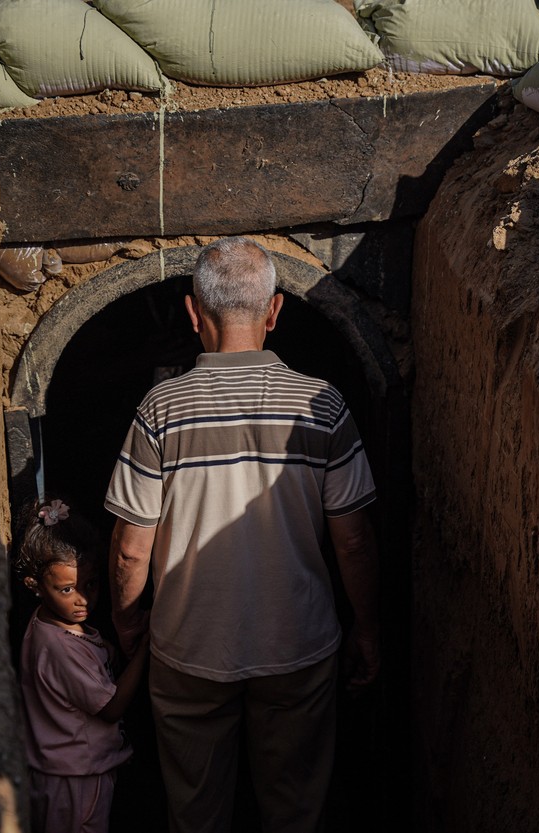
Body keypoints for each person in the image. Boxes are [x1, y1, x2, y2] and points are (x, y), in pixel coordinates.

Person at [104, 237, 381, 833]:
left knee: (196, 816)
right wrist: (368, 626)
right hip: (298, 648)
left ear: (192, 312)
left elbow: (131, 547)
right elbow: (354, 541)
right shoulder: (323, 407)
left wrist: (130, 627)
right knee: (295, 812)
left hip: (188, 650)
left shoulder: (160, 411)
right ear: (276, 311)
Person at [15, 496, 151, 833]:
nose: (83, 598)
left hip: (65, 773)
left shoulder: (49, 624)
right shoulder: (62, 648)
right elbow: (111, 707)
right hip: (76, 781)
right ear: (34, 585)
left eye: (91, 584)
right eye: (67, 589)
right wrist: (148, 647)